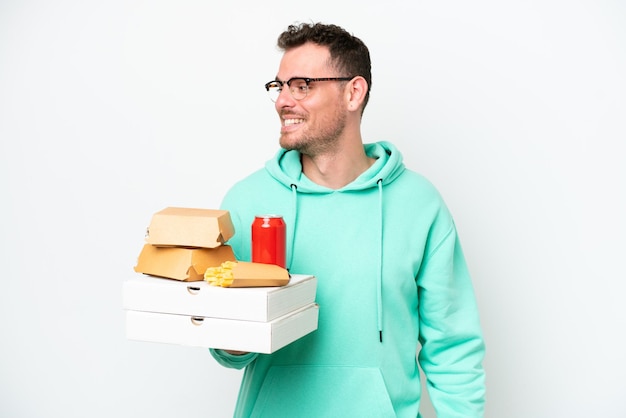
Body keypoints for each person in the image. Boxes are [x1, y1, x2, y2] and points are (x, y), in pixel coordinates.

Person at [211, 22, 486, 418]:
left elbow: (453, 345)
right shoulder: (247, 201)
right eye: (279, 86)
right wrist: (232, 331)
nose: (282, 101)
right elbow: (228, 352)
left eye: (301, 85)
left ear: (354, 92)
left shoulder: (419, 205)